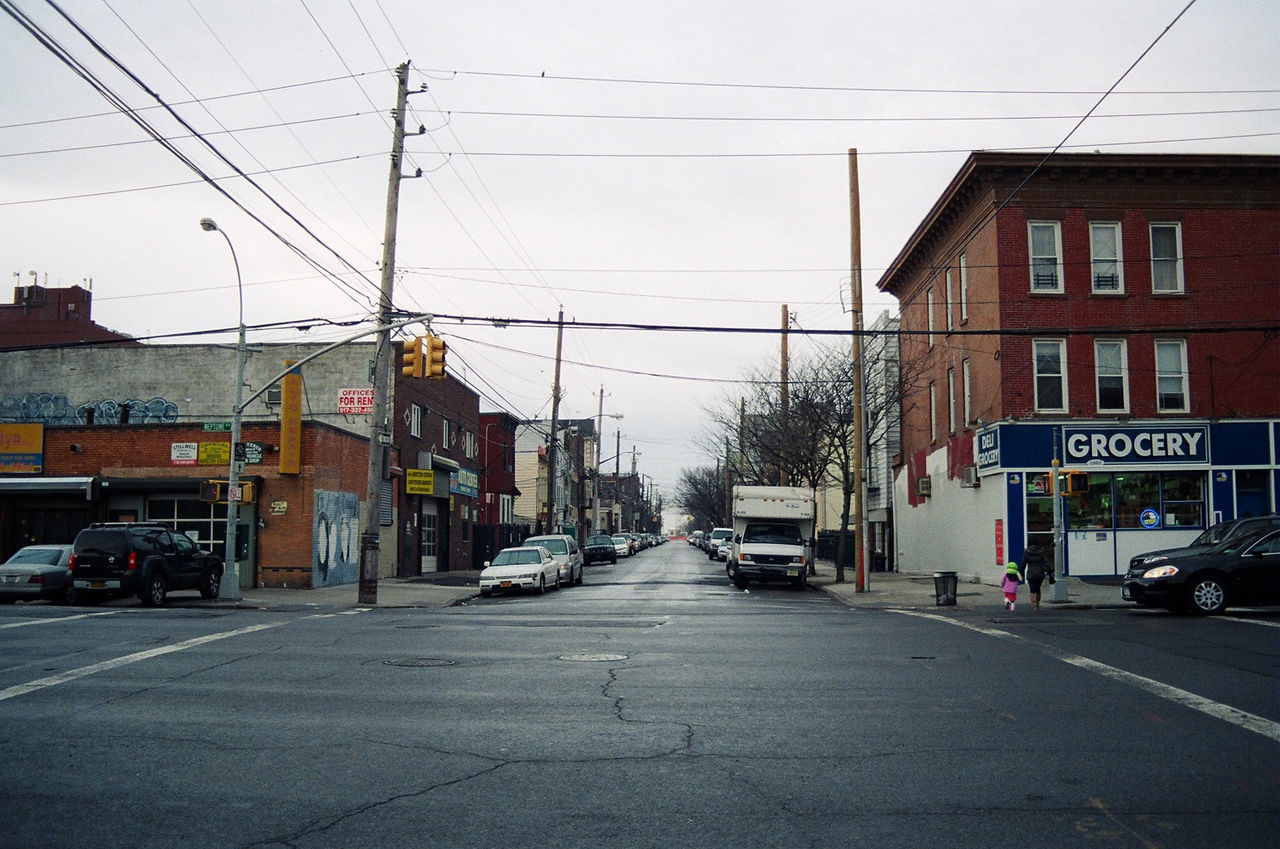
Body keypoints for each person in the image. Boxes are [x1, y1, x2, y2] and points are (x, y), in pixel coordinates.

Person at [1023, 543, 1054, 611]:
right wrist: (1049, 571)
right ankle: (1037, 602)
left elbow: (1023, 564)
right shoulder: (1042, 553)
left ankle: (1033, 604)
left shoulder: (1027, 553)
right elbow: (1046, 563)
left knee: (1032, 589)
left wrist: (1021, 573)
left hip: (1031, 574)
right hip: (1040, 574)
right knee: (1037, 588)